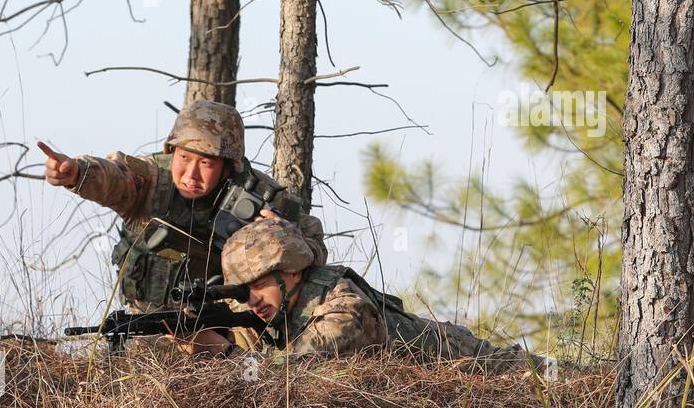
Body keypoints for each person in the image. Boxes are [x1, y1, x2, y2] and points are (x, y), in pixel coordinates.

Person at [38, 100, 327, 323]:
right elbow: (115, 177)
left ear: (228, 166)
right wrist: (77, 173)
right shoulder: (152, 179)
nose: (190, 174)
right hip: (149, 322)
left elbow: (315, 248)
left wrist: (285, 239)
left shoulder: (260, 198)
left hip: (228, 330)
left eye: (205, 164)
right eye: (184, 157)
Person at [210, 217, 540, 373]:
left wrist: (225, 353)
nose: (251, 299)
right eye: (244, 290)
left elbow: (287, 378)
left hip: (472, 364)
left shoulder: (343, 314)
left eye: (258, 285)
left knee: (566, 381)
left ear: (292, 270)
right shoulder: (278, 311)